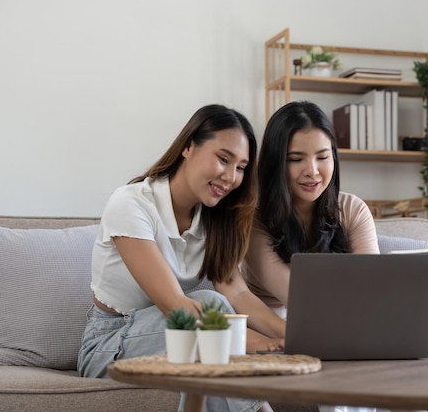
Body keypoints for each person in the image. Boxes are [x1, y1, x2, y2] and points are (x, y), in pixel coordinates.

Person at [77, 104, 285, 412]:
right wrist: (254, 342)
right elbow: (174, 305)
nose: (231, 177)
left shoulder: (216, 217)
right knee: (209, 308)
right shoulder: (131, 204)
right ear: (188, 146)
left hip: (182, 338)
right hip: (109, 345)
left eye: (240, 167)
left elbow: (238, 292)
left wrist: (295, 338)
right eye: (223, 159)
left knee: (208, 342)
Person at [243, 101, 379, 320]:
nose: (312, 171)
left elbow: (372, 287)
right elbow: (296, 296)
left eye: (323, 157)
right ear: (275, 163)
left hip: (347, 320)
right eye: (296, 159)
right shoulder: (255, 218)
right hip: (273, 326)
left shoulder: (353, 210)